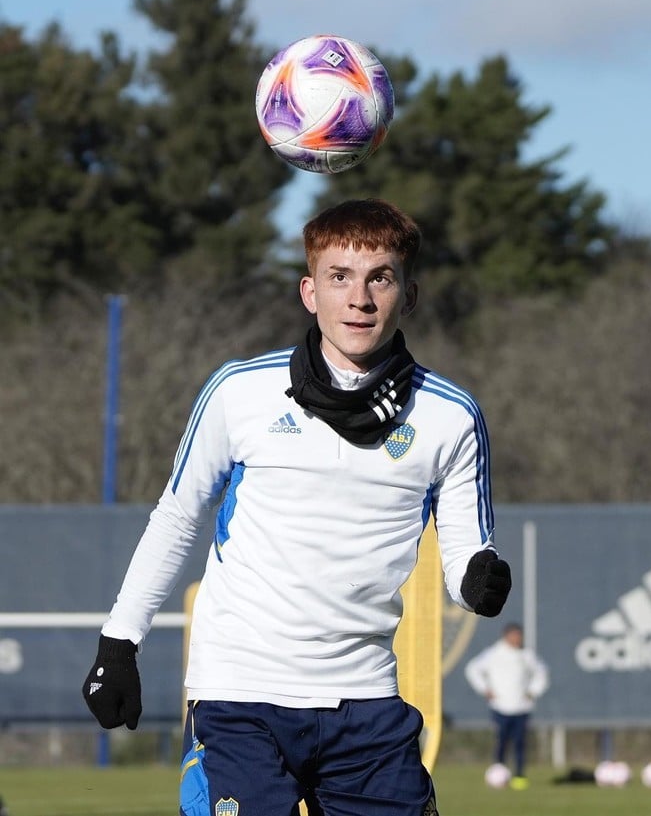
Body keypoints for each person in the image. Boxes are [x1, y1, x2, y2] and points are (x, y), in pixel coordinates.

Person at [82, 198, 511, 816]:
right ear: (309, 291)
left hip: (366, 702)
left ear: (408, 295)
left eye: (379, 278)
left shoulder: (451, 416)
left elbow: (469, 556)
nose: (358, 299)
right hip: (238, 697)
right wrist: (119, 643)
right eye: (339, 277)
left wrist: (480, 582)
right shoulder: (239, 390)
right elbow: (177, 517)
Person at [464, 622, 549, 790]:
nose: (518, 639)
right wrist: (485, 689)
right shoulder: (493, 654)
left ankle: (519, 776)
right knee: (501, 741)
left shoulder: (526, 655)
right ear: (507, 636)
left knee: (520, 743)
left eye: (520, 636)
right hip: (500, 707)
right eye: (515, 635)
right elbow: (472, 669)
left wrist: (532, 692)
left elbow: (542, 672)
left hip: (521, 707)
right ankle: (499, 773)